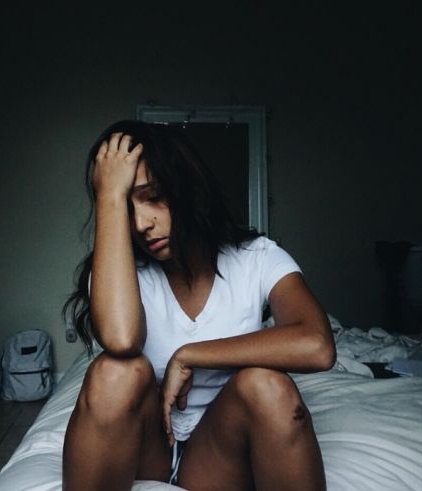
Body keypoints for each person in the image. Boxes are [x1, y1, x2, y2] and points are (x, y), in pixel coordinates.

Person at [62, 120, 336, 490]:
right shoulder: (119, 270)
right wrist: (109, 193)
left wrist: (192, 354)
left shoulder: (257, 258)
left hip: (222, 452)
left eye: (153, 195)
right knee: (115, 371)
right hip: (149, 447)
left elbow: (317, 346)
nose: (141, 224)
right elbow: (122, 338)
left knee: (267, 385)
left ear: (187, 189)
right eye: (125, 208)